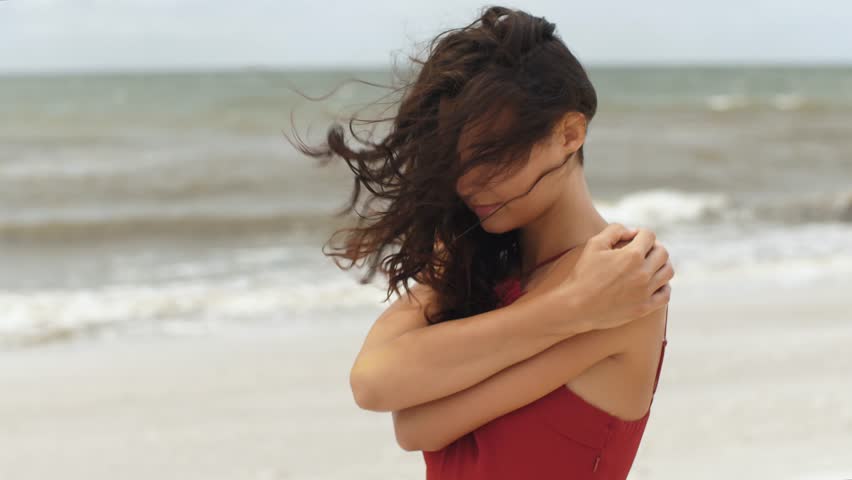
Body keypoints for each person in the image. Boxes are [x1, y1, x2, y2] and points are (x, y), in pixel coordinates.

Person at [287, 6, 674, 479]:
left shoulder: (627, 279)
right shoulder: (479, 264)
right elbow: (372, 381)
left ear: (569, 133)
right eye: (458, 160)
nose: (467, 183)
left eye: (491, 155)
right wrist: (568, 310)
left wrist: (577, 305)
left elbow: (416, 425)